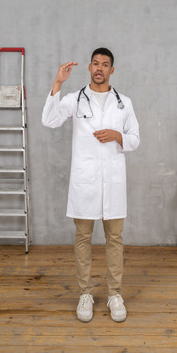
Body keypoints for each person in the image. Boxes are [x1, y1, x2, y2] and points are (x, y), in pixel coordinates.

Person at [42, 47, 140, 322]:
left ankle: (114, 295)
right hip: (85, 182)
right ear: (89, 67)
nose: (99, 68)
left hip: (114, 182)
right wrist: (58, 83)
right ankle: (85, 294)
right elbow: (49, 120)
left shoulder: (125, 103)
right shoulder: (75, 99)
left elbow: (135, 138)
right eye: (95, 63)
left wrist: (117, 135)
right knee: (83, 238)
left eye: (105, 64)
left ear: (112, 70)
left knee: (115, 239)